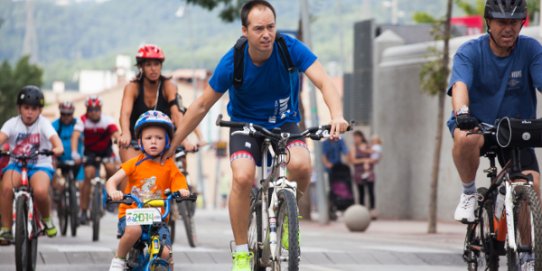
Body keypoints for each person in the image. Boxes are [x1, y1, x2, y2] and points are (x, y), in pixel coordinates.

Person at [162, 1, 349, 270]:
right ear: (245, 31)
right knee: (242, 175)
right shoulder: (233, 61)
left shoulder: (289, 48)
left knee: (301, 164)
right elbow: (202, 105)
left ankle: (288, 215)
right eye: (259, 28)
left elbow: (323, 81)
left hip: (284, 122)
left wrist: (337, 114)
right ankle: (240, 251)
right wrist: (174, 144)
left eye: (271, 27)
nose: (266, 34)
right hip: (244, 124)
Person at [448, 1, 541, 268]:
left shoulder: (531, 49)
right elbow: (460, 85)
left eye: (514, 22)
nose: (508, 28)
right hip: (478, 126)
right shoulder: (470, 52)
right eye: (501, 21)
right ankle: (468, 194)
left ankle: (528, 254)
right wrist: (463, 113)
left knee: (531, 183)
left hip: (516, 130)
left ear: (522, 23)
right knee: (465, 137)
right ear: (488, 22)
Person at [106, 110, 189, 271]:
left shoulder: (169, 165)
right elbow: (112, 181)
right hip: (131, 215)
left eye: (159, 138)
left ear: (167, 141)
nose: (153, 142)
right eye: (148, 138)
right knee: (134, 230)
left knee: (165, 252)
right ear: (140, 141)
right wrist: (113, 192)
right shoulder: (134, 163)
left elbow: (179, 181)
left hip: (157, 219)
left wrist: (182, 190)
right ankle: (119, 259)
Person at [118, 44, 203, 163]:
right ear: (141, 66)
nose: (153, 69)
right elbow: (125, 114)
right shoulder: (133, 87)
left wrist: (184, 140)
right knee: (131, 174)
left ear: (161, 65)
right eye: (148, 65)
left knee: (174, 171)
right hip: (135, 141)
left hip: (161, 142)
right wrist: (125, 133)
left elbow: (177, 114)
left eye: (156, 64)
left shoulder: (169, 86)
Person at [0, 86, 64, 244]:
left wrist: (57, 149)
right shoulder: (11, 124)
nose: (29, 112)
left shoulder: (44, 124)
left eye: (34, 108)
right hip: (16, 163)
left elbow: (58, 144)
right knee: (6, 188)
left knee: (41, 191)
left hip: (39, 164)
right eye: (26, 108)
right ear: (19, 108)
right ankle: (6, 229)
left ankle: (47, 219)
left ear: (40, 110)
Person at [72, 96, 120, 225]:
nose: (94, 112)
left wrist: (120, 140)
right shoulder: (82, 120)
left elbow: (116, 133)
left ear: (100, 109)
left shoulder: (107, 120)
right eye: (91, 109)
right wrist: (75, 153)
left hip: (106, 150)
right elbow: (75, 136)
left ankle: (110, 197)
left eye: (96, 109)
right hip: (90, 152)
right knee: (88, 175)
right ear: (87, 110)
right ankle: (83, 210)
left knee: (111, 169)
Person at [51, 101, 85, 193]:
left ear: (72, 113)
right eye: (63, 114)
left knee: (82, 183)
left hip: (76, 160)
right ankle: (57, 192)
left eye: (69, 114)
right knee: (50, 173)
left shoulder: (78, 124)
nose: (66, 117)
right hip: (59, 159)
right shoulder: (54, 125)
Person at [350, 131, 374, 210]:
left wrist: (368, 161)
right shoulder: (354, 148)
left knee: (371, 192)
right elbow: (353, 161)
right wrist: (364, 160)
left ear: (361, 137)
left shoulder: (368, 147)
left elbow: (374, 158)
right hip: (358, 173)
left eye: (357, 137)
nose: (356, 139)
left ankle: (372, 209)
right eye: (354, 137)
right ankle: (361, 210)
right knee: (361, 193)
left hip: (369, 172)